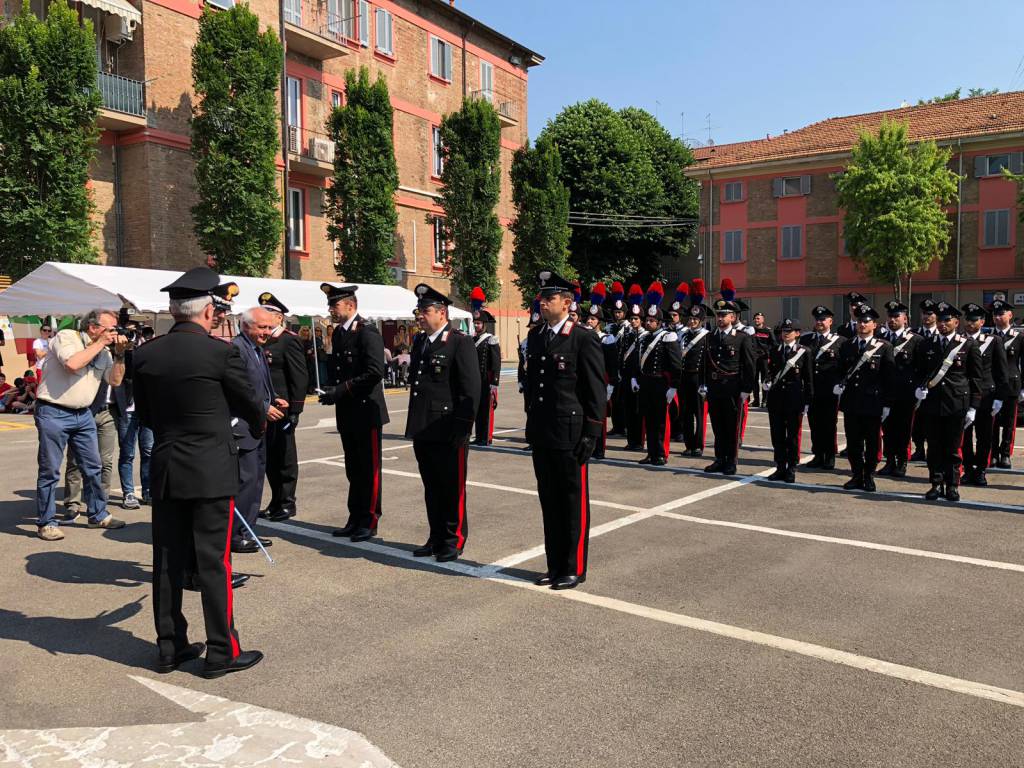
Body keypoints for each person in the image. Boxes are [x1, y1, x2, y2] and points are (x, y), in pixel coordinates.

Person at [133, 267, 265, 678]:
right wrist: (257, 427)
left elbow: (148, 416)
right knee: (213, 563)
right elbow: (251, 407)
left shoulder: (145, 354)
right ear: (208, 311)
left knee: (167, 561)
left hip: (168, 466)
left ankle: (169, 647)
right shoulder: (220, 353)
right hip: (211, 469)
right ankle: (221, 650)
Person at [524, 269, 605, 590]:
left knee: (572, 503)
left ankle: (573, 567)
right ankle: (554, 564)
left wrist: (592, 433)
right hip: (543, 432)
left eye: (550, 298)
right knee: (550, 502)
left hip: (571, 434)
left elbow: (595, 390)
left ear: (567, 302)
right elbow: (533, 386)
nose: (543, 303)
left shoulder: (583, 337)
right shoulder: (536, 336)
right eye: (542, 297)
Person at [33, 310, 128, 541]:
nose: (114, 334)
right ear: (93, 327)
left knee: (93, 466)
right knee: (50, 469)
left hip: (83, 413)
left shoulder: (104, 351)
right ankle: (47, 522)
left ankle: (97, 513)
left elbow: (115, 381)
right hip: (53, 410)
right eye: (110, 329)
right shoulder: (67, 336)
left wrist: (119, 356)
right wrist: (103, 344)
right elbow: (73, 364)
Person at [405, 284, 480, 561]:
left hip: (449, 428)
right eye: (419, 311)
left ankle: (453, 539)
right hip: (424, 427)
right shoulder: (420, 342)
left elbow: (470, 389)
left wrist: (463, 428)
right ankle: (436, 536)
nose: (420, 316)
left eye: (425, 311)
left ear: (442, 312)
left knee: (452, 487)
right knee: (432, 487)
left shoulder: (460, 342)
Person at [318, 284, 389, 541]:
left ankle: (369, 519)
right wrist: (331, 390)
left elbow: (374, 372)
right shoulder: (338, 333)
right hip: (347, 411)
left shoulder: (367, 332)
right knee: (353, 468)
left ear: (350, 305)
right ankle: (355, 516)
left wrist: (340, 390)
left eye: (334, 305)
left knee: (368, 469)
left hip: (365, 411)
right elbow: (341, 371)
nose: (331, 310)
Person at [912, 302, 982, 502]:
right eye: (940, 320)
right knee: (933, 447)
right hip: (932, 403)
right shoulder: (926, 344)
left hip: (957, 404)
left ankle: (952, 485)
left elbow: (976, 378)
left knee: (953, 447)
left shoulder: (967, 344)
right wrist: (918, 388)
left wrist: (973, 407)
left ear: (956, 322)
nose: (942, 324)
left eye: (946, 320)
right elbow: (919, 372)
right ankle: (935, 483)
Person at [231, 307, 284, 554]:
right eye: (261, 327)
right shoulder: (237, 349)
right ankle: (237, 535)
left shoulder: (256, 349)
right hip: (243, 427)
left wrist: (274, 399)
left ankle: (248, 530)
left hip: (257, 427)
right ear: (245, 326)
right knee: (245, 482)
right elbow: (238, 388)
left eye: (269, 327)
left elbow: (260, 383)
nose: (266, 332)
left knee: (255, 481)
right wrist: (264, 407)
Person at [256, 293, 308, 523]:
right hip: (267, 407)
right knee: (269, 457)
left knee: (285, 457)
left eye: (267, 315)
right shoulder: (262, 339)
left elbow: (299, 376)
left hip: (284, 407)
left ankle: (287, 502)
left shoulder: (289, 340)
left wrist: (296, 409)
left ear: (279, 317)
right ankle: (276, 500)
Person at [834, 304, 894, 492]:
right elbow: (840, 370)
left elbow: (888, 377)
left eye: (866, 321)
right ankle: (856, 475)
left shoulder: (884, 347)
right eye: (860, 321)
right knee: (853, 442)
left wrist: (887, 404)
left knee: (872, 442)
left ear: (874, 325)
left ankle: (869, 475)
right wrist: (838, 384)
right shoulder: (847, 345)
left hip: (873, 402)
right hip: (852, 402)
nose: (862, 324)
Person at [701, 298, 756, 475]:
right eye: (718, 315)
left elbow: (749, 365)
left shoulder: (742, 338)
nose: (720, 318)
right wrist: (703, 384)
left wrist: (747, 389)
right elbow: (705, 364)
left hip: (732, 389)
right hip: (715, 388)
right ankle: (719, 459)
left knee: (732, 427)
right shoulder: (710, 337)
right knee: (717, 426)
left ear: (733, 317)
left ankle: (731, 461)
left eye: (724, 315)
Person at [960, 302, 1011, 486]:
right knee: (964, 437)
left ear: (982, 322)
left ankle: (981, 470)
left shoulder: (993, 340)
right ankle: (967, 469)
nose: (970, 323)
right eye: (967, 319)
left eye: (974, 320)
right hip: (964, 395)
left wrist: (999, 398)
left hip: (986, 396)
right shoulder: (958, 340)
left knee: (984, 436)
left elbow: (1002, 372)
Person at [633, 285, 682, 466]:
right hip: (646, 382)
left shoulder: (668, 337)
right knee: (648, 419)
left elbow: (676, 365)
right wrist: (636, 378)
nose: (648, 323)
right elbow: (639, 362)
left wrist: (673, 386)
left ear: (659, 323)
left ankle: (661, 453)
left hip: (661, 383)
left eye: (652, 321)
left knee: (661, 421)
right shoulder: (644, 337)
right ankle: (651, 452)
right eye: (647, 320)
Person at [62, 371, 118, 519]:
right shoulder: (87, 353)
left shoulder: (118, 354)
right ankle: (72, 504)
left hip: (109, 412)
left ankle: (100, 503)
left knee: (105, 462)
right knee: (75, 461)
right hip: (83, 410)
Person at [764, 318, 813, 482]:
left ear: (797, 334)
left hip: (794, 399)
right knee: (777, 435)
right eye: (784, 331)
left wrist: (807, 401)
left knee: (792, 436)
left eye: (789, 331)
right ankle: (780, 466)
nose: (786, 334)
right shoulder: (774, 350)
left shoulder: (804, 351)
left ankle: (791, 467)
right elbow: (769, 372)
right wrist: (767, 381)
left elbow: (808, 378)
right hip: (776, 399)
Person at [878, 301, 921, 478]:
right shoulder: (880, 339)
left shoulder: (916, 340)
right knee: (887, 429)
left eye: (897, 316)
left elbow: (920, 367)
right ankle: (889, 461)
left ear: (905, 318)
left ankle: (902, 462)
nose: (893, 319)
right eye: (890, 316)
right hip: (885, 392)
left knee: (903, 430)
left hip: (905, 393)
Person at [801, 306, 847, 469]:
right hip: (812, 389)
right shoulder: (806, 340)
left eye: (823, 319)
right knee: (814, 424)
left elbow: (844, 366)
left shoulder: (840, 342)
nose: (819, 322)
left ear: (830, 321)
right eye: (817, 319)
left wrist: (841, 384)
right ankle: (818, 454)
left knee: (828, 424)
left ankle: (829, 457)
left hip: (830, 390)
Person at [989, 299, 1024, 467]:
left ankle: (1005, 454)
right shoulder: (988, 337)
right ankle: (993, 453)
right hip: (992, 385)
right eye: (995, 315)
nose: (997, 318)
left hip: (1011, 384)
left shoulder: (1019, 337)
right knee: (992, 422)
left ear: (1010, 315)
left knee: (1009, 422)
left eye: (1001, 314)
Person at [678, 291, 710, 458]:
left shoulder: (706, 338)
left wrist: (705, 383)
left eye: (695, 320)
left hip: (698, 378)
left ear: (701, 321)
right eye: (690, 319)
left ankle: (698, 445)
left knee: (699, 413)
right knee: (686, 413)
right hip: (685, 378)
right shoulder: (683, 335)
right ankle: (689, 444)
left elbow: (707, 362)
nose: (691, 322)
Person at [469, 286, 501, 446]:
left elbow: (496, 363)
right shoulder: (472, 340)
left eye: (479, 323)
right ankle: (478, 435)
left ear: (485, 324)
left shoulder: (491, 340)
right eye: (475, 323)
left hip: (487, 380)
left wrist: (494, 383)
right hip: (476, 380)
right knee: (477, 409)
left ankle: (486, 437)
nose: (477, 326)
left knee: (486, 410)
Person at [910, 299, 939, 461]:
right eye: (924, 313)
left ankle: (932, 449)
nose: (926, 317)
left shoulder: (942, 334)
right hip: (917, 383)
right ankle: (919, 448)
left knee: (933, 420)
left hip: (936, 383)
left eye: (930, 314)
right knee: (918, 420)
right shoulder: (913, 334)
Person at [619, 284, 646, 450]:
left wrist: (637, 376)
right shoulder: (626, 335)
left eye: (636, 319)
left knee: (638, 411)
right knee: (628, 409)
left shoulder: (644, 336)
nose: (633, 321)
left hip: (639, 378)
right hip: (627, 376)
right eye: (631, 319)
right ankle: (631, 440)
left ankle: (639, 441)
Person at [751, 312, 773, 407]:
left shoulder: (768, 331)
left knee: (765, 381)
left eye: (758, 318)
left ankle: (765, 401)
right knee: (754, 380)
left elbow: (774, 345)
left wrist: (769, 355)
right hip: (754, 359)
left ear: (763, 320)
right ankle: (756, 400)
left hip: (764, 359)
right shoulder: (751, 331)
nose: (757, 320)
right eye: (755, 318)